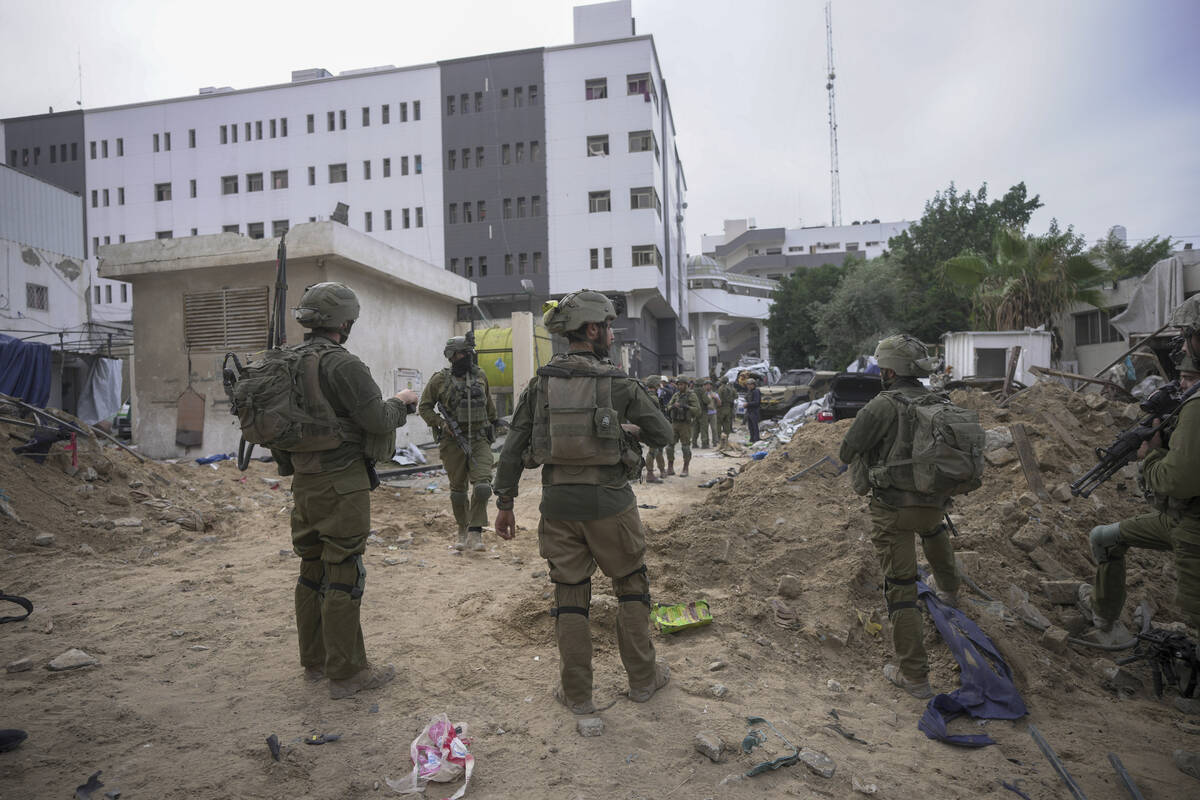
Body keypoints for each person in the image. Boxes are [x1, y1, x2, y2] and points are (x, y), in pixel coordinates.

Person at [492, 289, 673, 714]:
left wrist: (504, 502)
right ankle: (643, 681)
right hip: (612, 504)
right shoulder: (620, 383)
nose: (611, 333)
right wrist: (627, 429)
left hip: (558, 507)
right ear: (592, 329)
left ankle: (577, 694)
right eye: (608, 326)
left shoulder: (541, 384)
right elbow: (663, 433)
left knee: (569, 595)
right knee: (630, 586)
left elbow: (514, 446)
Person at [273, 282, 419, 699]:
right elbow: (376, 419)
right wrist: (401, 402)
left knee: (311, 570)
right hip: (342, 482)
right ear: (344, 321)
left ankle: (315, 662)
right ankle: (348, 674)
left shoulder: (285, 361)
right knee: (343, 573)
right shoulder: (342, 365)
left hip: (304, 481)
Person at [838, 334, 959, 700]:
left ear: (889, 370)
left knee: (902, 589)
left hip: (893, 510)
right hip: (934, 503)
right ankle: (950, 591)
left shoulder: (881, 406)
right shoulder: (940, 400)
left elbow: (847, 451)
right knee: (935, 531)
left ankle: (915, 677)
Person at [1080, 298, 1200, 640]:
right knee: (1105, 538)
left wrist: (1149, 455)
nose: (1183, 342)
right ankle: (1103, 616)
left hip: (1192, 527)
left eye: (1189, 334)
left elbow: (1177, 481)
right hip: (1179, 520)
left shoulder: (1196, 407)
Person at [418, 336, 498, 551]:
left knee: (482, 487)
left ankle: (476, 532)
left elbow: (489, 405)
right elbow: (424, 407)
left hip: (479, 438)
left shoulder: (480, 375)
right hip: (452, 442)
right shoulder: (439, 380)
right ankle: (462, 528)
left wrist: (496, 424)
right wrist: (441, 423)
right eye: (465, 353)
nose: (469, 357)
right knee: (458, 491)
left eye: (470, 353)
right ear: (453, 356)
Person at [665, 376, 699, 477]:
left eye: (682, 384)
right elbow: (667, 407)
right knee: (669, 446)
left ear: (686, 385)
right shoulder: (676, 395)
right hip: (674, 423)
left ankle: (685, 468)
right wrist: (672, 406)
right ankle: (670, 467)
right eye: (678, 384)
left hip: (685, 424)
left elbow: (697, 410)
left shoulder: (691, 395)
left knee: (685, 447)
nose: (680, 386)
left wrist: (687, 407)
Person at [641, 375, 665, 483]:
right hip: (654, 427)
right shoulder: (654, 397)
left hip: (647, 426)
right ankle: (650, 474)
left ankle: (662, 470)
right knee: (653, 451)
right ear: (656, 385)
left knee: (658, 449)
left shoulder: (645, 395)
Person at [717, 376, 737, 447]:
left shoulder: (721, 388)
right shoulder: (731, 388)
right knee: (727, 424)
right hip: (729, 408)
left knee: (718, 424)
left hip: (721, 408)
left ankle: (719, 439)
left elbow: (718, 398)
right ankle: (726, 438)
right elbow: (736, 396)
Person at [692, 378, 712, 449]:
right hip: (703, 412)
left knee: (695, 428)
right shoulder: (702, 391)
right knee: (703, 428)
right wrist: (709, 399)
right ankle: (704, 444)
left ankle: (694, 443)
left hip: (695, 412)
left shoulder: (693, 391)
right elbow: (706, 401)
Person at [744, 378, 762, 443]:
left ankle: (756, 439)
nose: (748, 386)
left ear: (753, 385)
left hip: (754, 411)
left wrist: (748, 404)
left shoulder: (756, 391)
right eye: (748, 384)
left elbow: (757, 402)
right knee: (750, 427)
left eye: (750, 384)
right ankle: (752, 439)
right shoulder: (750, 391)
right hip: (749, 411)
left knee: (755, 426)